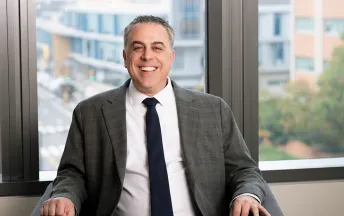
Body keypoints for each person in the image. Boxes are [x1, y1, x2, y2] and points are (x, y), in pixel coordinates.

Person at [41, 15, 271, 216]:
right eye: (138, 47)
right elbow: (72, 173)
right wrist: (65, 197)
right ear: (125, 56)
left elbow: (244, 170)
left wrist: (248, 194)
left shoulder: (212, 109)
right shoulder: (90, 112)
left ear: (171, 57)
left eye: (157, 48)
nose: (147, 56)